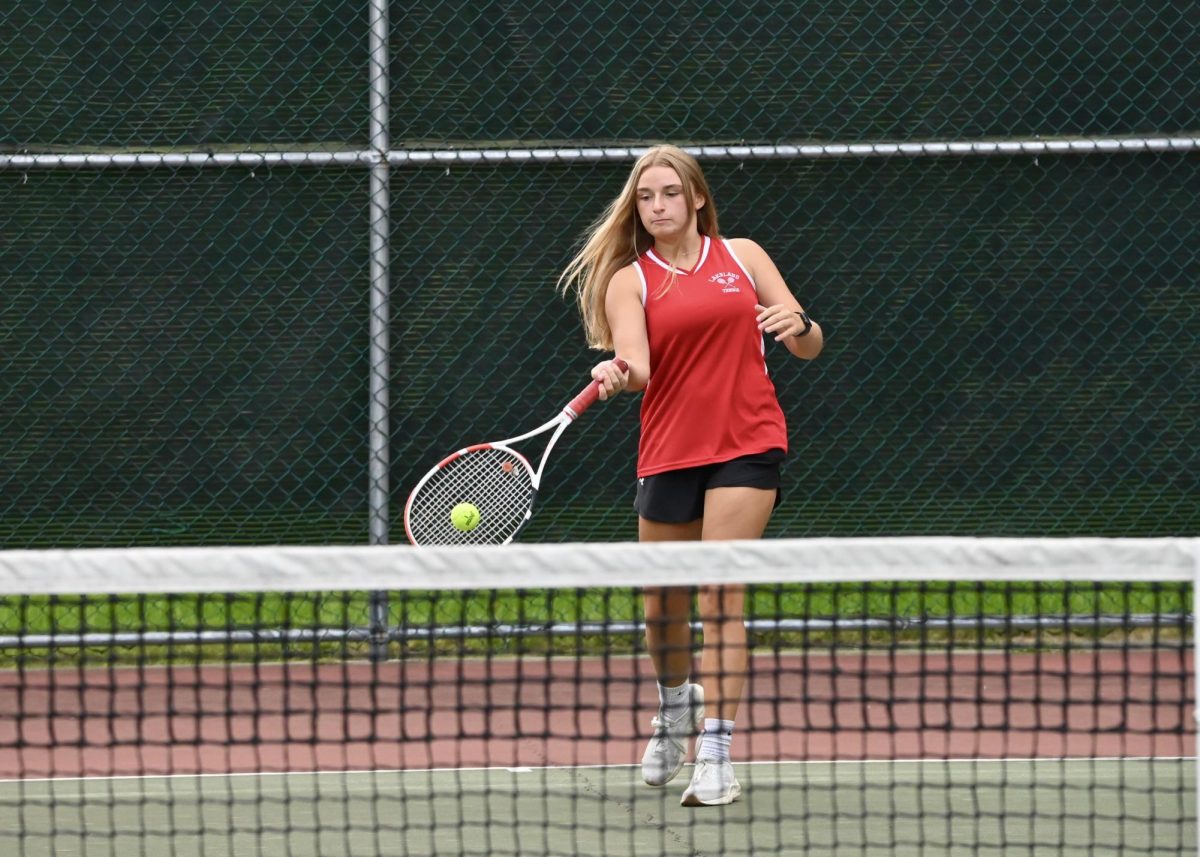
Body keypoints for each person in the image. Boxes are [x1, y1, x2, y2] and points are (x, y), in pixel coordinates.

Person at [558, 145, 824, 806]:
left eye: (670, 193)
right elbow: (639, 364)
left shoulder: (744, 256)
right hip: (671, 450)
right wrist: (619, 372)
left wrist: (803, 323)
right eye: (646, 197)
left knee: (720, 594)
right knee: (662, 610)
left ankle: (716, 753)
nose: (657, 206)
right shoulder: (631, 279)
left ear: (697, 197)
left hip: (748, 441)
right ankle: (675, 706)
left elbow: (805, 341)